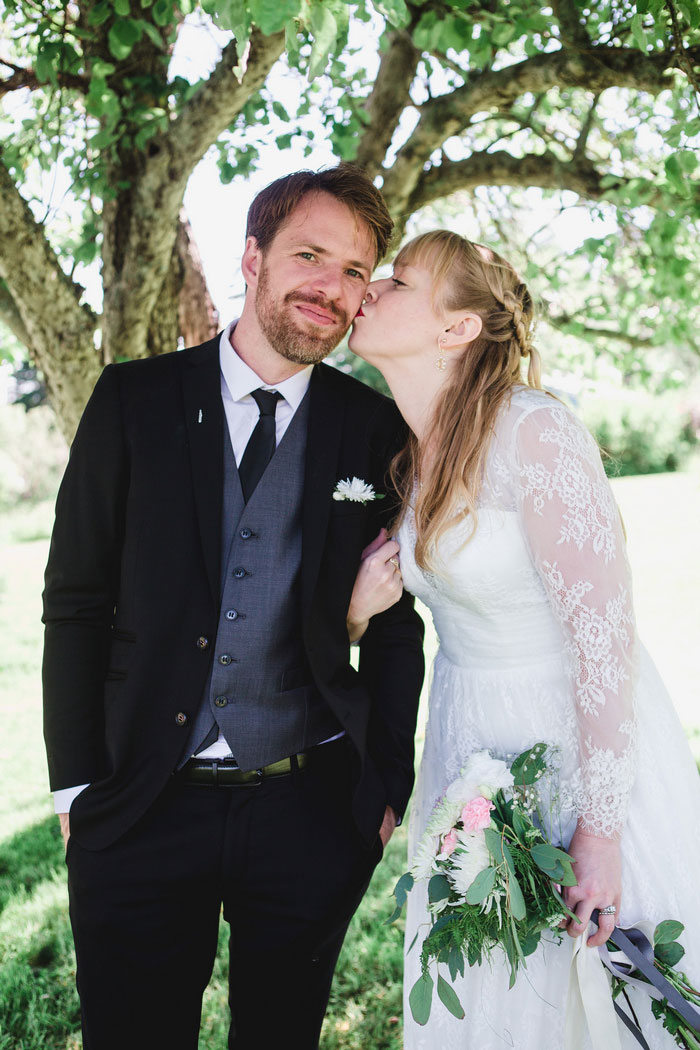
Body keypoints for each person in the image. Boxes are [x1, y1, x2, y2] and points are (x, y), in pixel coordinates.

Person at [41, 165, 425, 1050]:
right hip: (140, 799)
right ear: (251, 257)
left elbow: (399, 622)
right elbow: (75, 600)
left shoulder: (373, 428)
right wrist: (75, 785)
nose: (332, 287)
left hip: (310, 805)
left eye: (357, 270)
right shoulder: (132, 400)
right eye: (309, 255)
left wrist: (385, 784)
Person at [347, 229, 700, 1049]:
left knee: (610, 985)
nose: (372, 286)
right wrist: (356, 611)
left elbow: (604, 640)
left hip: (576, 742)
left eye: (400, 280)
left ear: (457, 328)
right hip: (468, 736)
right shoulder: (409, 452)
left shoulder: (533, 433)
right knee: (498, 981)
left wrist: (602, 831)